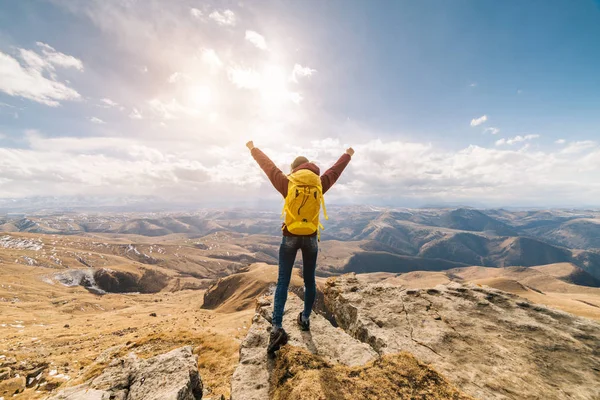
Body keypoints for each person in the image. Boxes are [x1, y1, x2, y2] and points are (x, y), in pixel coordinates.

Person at [246, 140, 354, 354]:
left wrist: (253, 149)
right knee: (310, 280)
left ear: (294, 169)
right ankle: (305, 319)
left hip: (289, 236)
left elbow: (269, 167)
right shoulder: (319, 183)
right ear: (310, 167)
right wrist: (347, 155)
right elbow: (336, 170)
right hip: (311, 238)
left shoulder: (288, 183)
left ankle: (276, 328)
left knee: (283, 282)